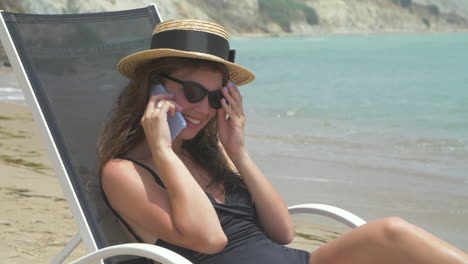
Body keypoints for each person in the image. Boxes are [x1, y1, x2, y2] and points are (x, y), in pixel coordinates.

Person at [98, 19, 468, 264]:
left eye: (215, 98)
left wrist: (238, 150)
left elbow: (283, 232)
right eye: (193, 91)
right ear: (154, 88)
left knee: (392, 231)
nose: (204, 108)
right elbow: (210, 239)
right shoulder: (125, 172)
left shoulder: (209, 155)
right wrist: (163, 150)